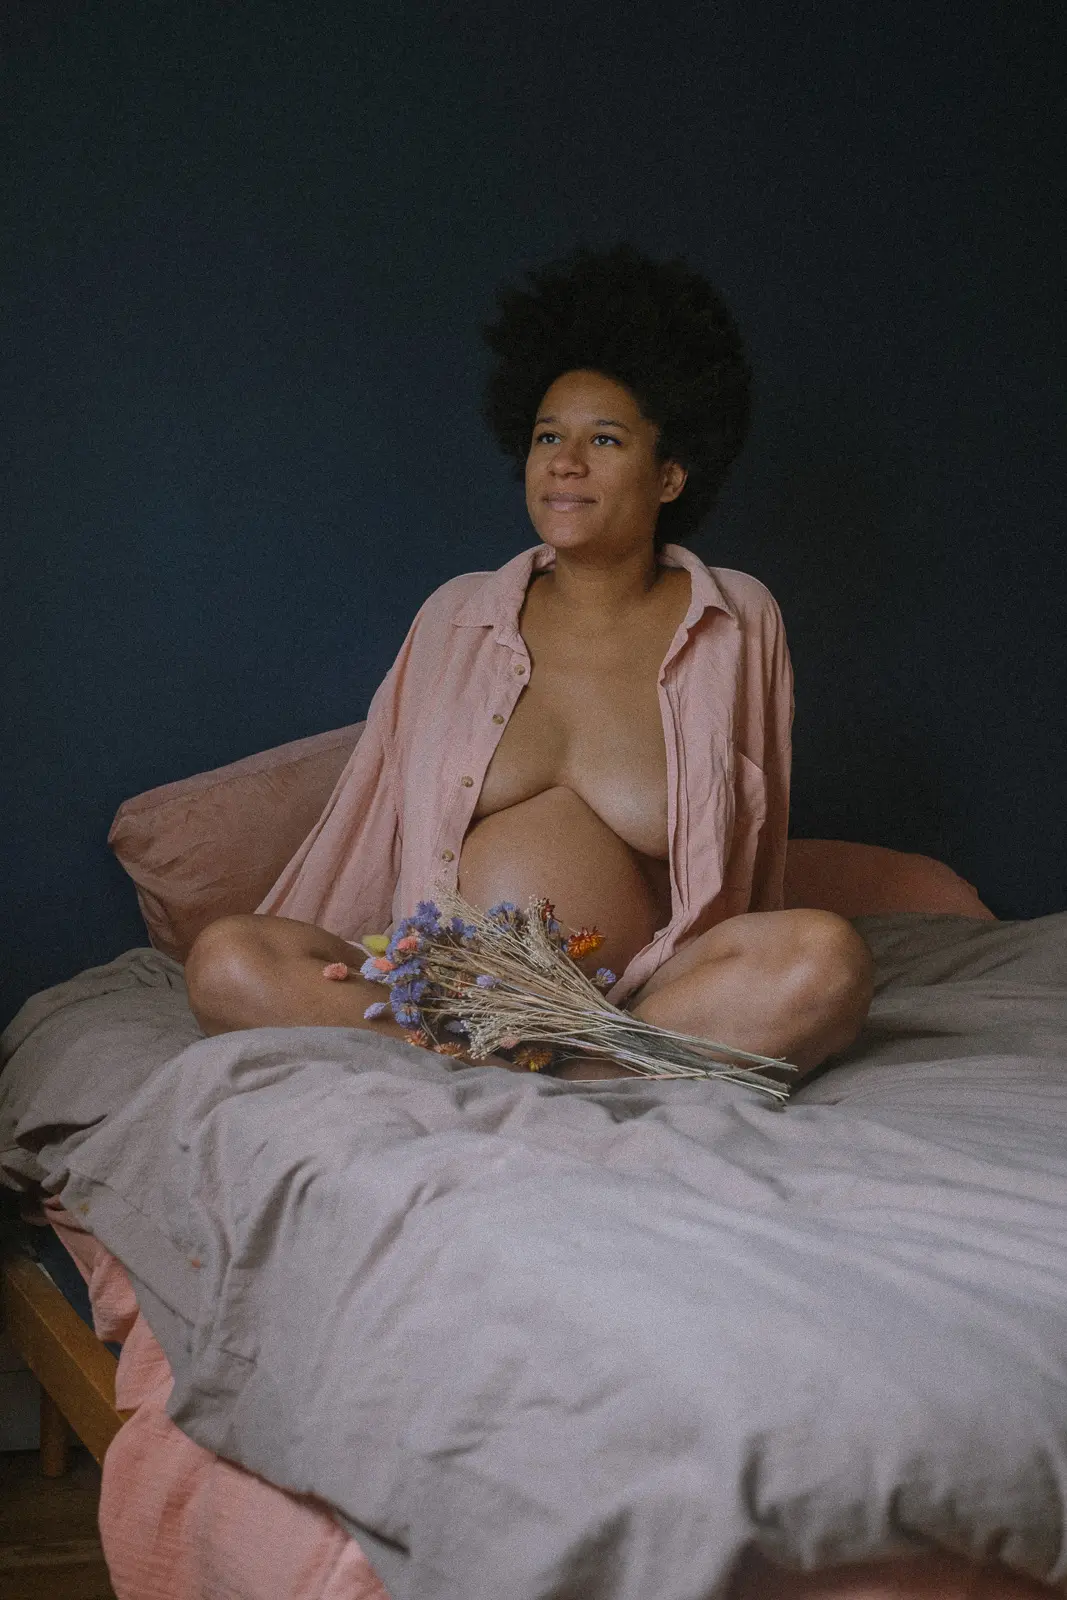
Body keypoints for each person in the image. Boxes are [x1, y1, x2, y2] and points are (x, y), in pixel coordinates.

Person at [185, 244, 872, 1079]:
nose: (564, 462)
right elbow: (368, 820)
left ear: (669, 476)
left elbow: (751, 858)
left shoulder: (734, 618)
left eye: (604, 439)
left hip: (639, 999)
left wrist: (734, 983)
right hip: (442, 997)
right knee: (226, 957)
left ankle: (568, 1055)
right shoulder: (457, 615)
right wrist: (363, 961)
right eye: (548, 435)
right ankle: (532, 1059)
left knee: (825, 959)